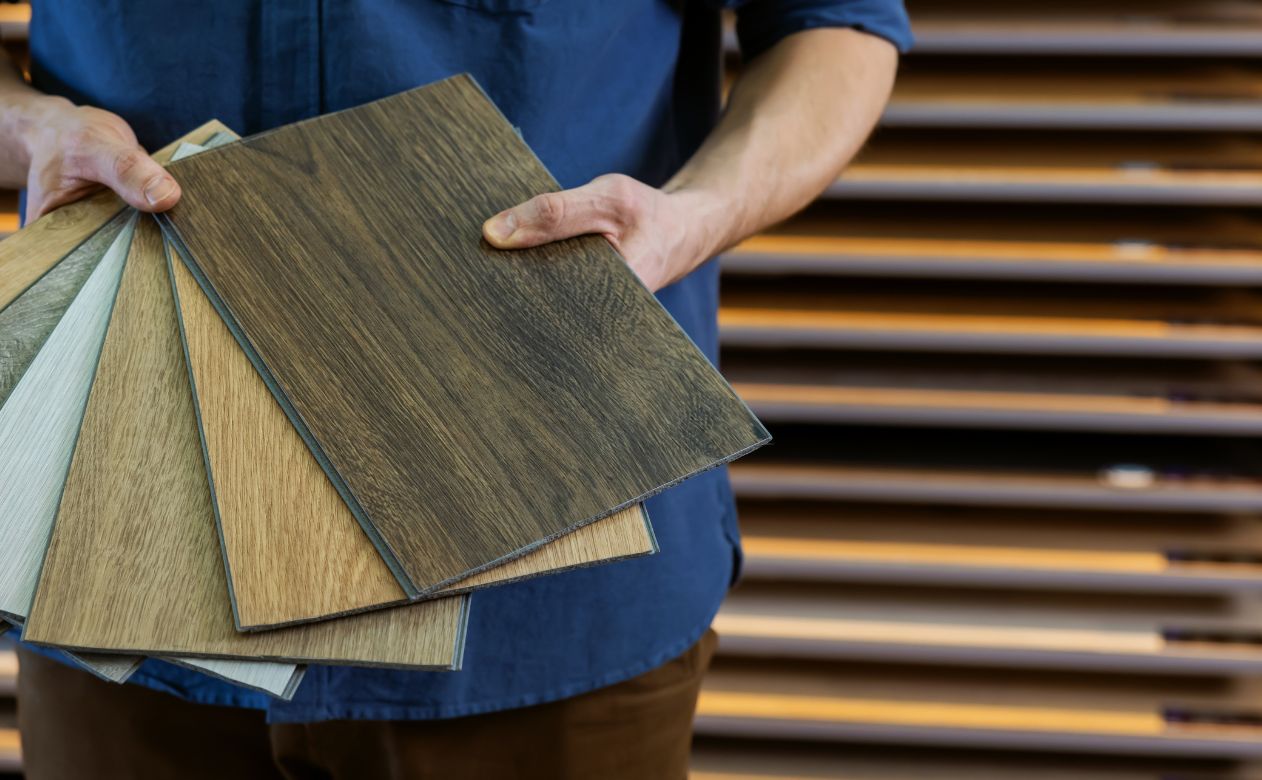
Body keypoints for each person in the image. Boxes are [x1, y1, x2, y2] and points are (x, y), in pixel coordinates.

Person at [4, 2, 907, 778]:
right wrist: (28, 127)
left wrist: (696, 215)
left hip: (553, 583)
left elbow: (834, 24)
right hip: (120, 572)